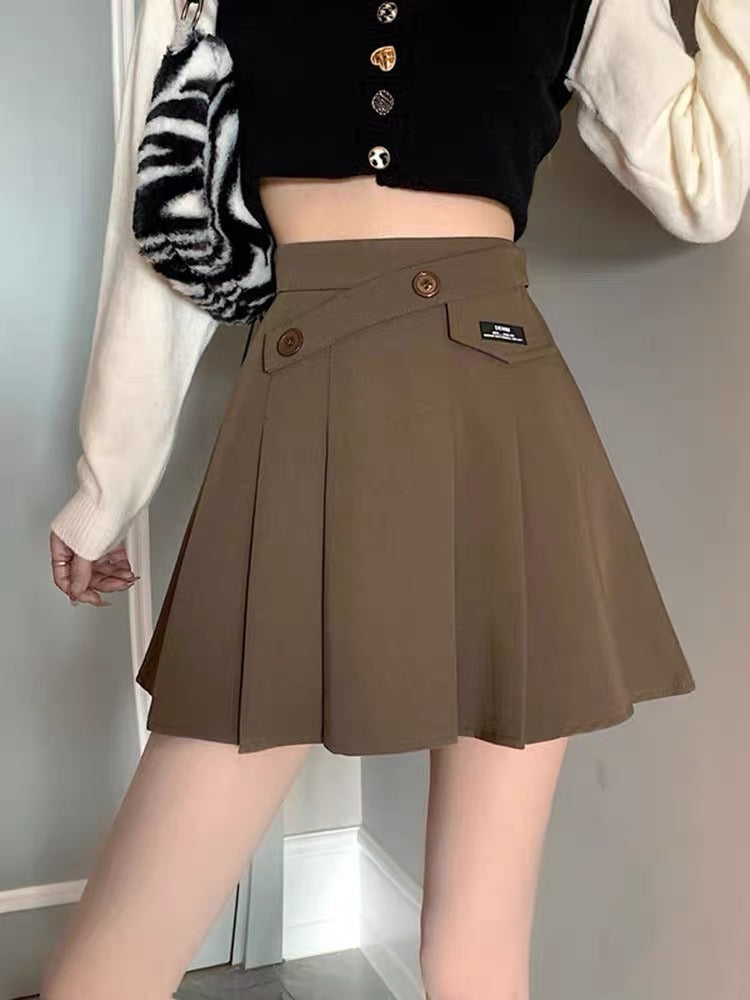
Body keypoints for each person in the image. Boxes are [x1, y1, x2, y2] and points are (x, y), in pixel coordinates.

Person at [42, 0, 749, 997]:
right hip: (308, 405)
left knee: (475, 953)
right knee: (114, 961)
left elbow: (705, 184)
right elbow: (165, 229)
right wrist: (106, 484)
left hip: (502, 416)